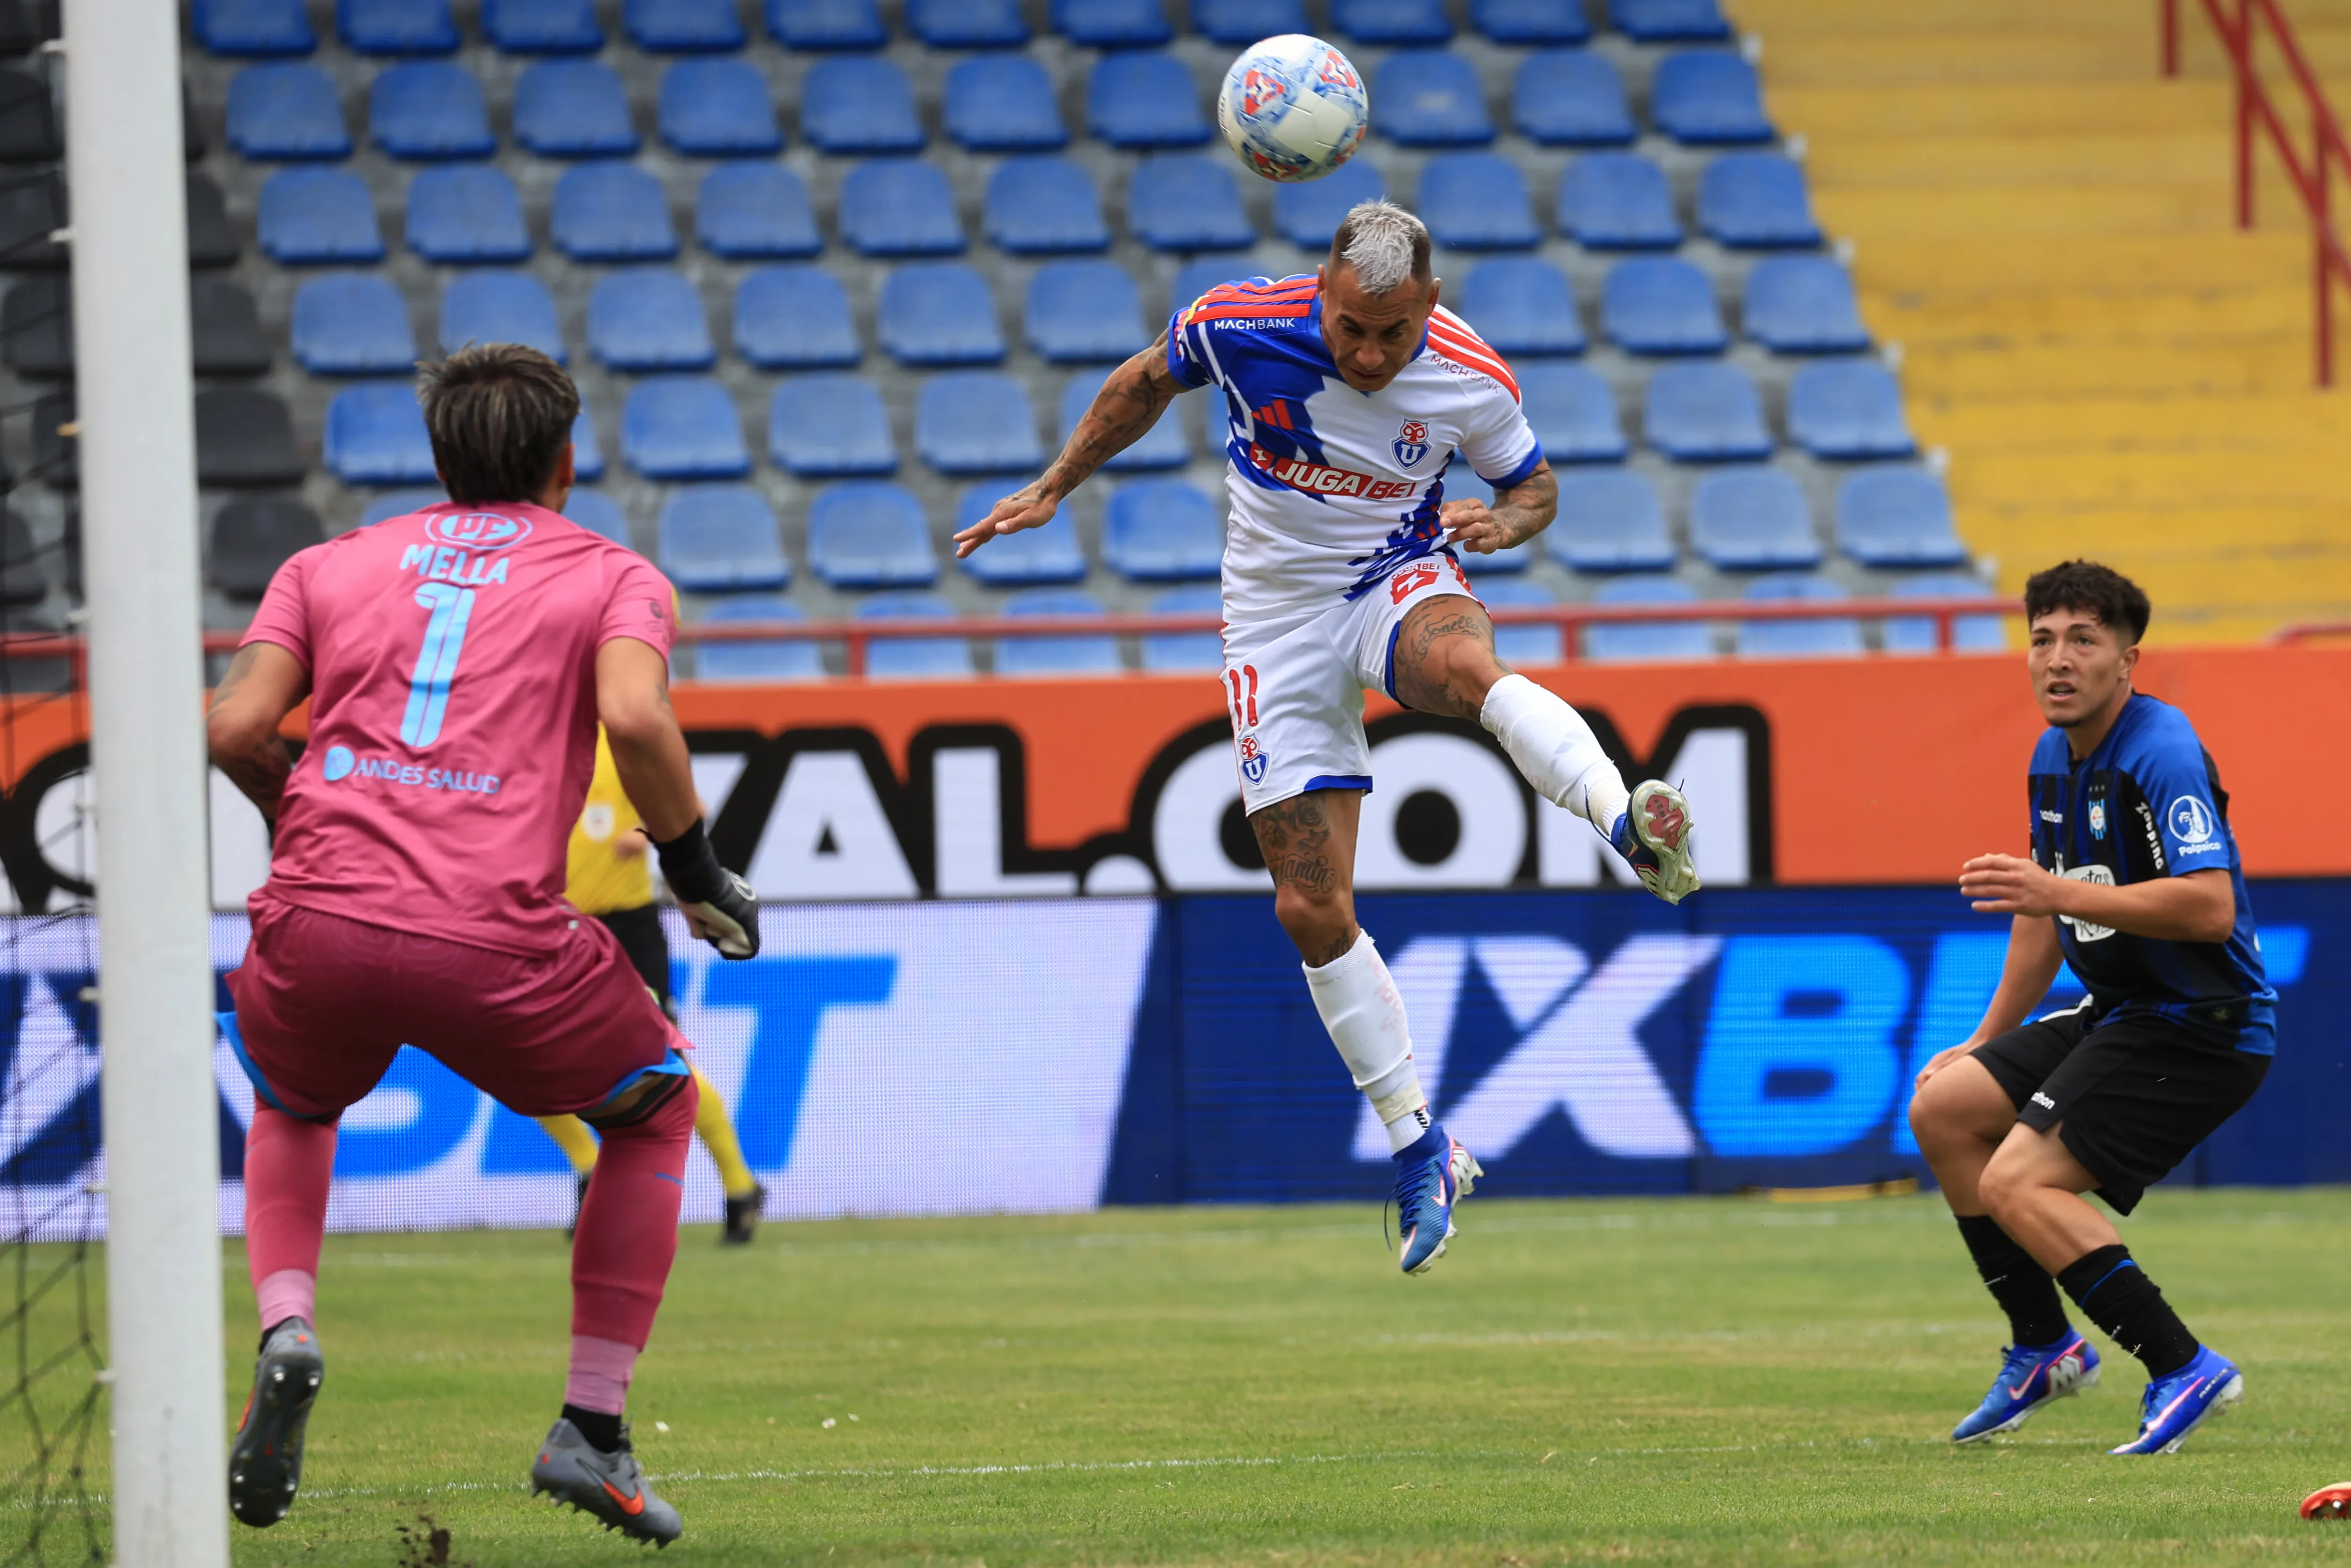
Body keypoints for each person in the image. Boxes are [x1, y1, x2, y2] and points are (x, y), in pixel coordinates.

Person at [957, 200, 1697, 1276]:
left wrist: (1504, 521)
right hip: (1270, 620)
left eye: (1390, 333)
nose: (1365, 350)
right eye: (1349, 325)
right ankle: (1421, 1140)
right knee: (1309, 903)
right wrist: (1053, 484)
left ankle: (1625, 819)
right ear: (1322, 289)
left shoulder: (1470, 376)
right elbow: (1141, 382)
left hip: (1393, 577)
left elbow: (1530, 482)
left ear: (1427, 308)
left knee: (1462, 668)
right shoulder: (1238, 323)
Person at [206, 344, 760, 1544]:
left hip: (316, 913)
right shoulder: (618, 576)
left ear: (440, 458)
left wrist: (292, 805)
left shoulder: (328, 563)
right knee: (657, 1106)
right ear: (566, 461)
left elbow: (238, 722)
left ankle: (287, 1321)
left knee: (294, 1103)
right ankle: (591, 1425)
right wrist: (695, 866)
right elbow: (630, 711)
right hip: (490, 931)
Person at [1910, 560, 2273, 1456]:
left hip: (2203, 1019)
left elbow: (2207, 905)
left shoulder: (2159, 749)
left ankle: (2180, 1363)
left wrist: (2051, 885)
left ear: (2126, 659)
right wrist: (1982, 1040)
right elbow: (2044, 914)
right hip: (2125, 1007)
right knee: (1943, 1107)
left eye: (2082, 639)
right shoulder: (2050, 754)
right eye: (2040, 638)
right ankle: (2044, 1346)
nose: (2056, 658)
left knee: (2016, 1180)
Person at [540, 727, 768, 1245]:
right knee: (518, 1058)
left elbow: (690, 806)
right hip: (552, 924)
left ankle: (738, 1183)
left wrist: (645, 830)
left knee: (663, 1065)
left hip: (627, 927)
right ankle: (589, 1164)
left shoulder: (619, 736)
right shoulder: (534, 735)